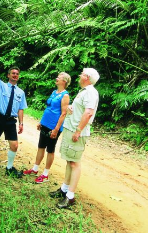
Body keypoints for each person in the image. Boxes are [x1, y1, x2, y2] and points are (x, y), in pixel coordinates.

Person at [50, 68, 100, 208]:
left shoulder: (91, 92)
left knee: (74, 163)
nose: (79, 75)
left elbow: (89, 113)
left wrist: (78, 131)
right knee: (69, 161)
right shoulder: (83, 91)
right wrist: (72, 108)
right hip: (70, 129)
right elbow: (82, 110)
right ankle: (64, 189)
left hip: (77, 132)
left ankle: (70, 196)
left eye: (82, 74)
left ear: (87, 77)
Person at [23, 72, 71, 183]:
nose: (56, 78)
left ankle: (45, 174)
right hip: (45, 123)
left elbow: (63, 113)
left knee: (50, 149)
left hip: (54, 126)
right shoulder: (54, 92)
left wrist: (56, 129)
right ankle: (35, 169)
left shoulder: (65, 95)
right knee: (41, 146)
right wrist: (41, 122)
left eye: (58, 77)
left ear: (64, 81)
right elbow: (48, 108)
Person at [0, 49, 27, 178]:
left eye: (17, 74)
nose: (15, 75)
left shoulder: (21, 93)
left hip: (11, 121)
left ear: (18, 76)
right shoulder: (1, 85)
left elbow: (21, 108)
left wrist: (21, 123)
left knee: (14, 145)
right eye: (13, 73)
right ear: (8, 75)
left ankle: (9, 168)